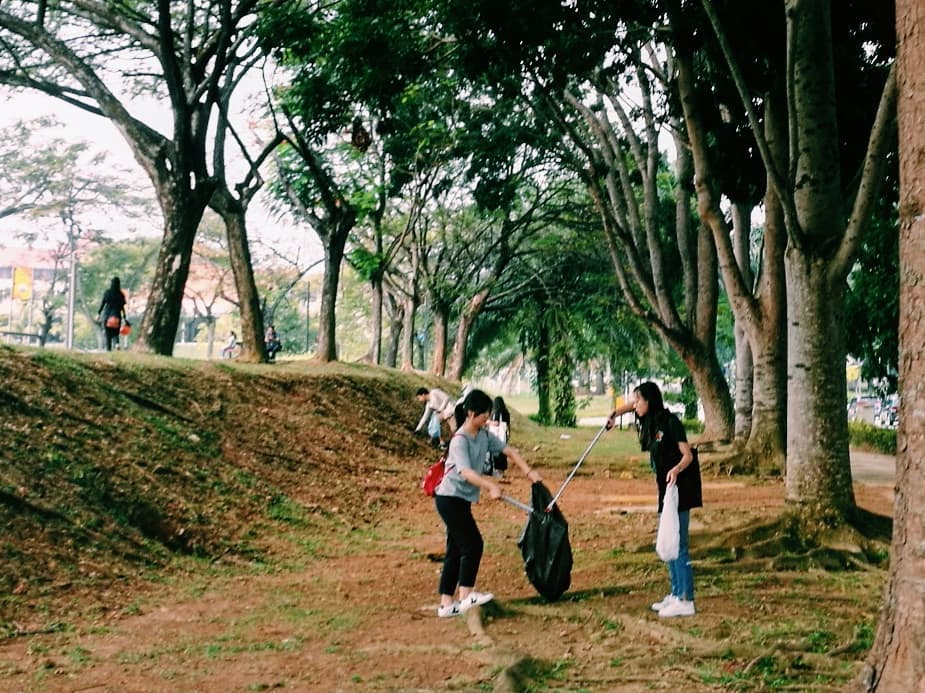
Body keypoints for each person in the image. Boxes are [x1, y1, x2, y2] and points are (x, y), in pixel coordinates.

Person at [434, 389, 543, 617]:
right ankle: (466, 596)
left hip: (461, 499)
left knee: (455, 549)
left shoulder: (483, 435)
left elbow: (508, 451)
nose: (488, 419)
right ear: (471, 413)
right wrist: (490, 486)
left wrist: (529, 472)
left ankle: (446, 605)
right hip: (449, 499)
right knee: (473, 544)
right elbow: (465, 472)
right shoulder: (459, 440)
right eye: (484, 414)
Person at [606, 381, 701, 618]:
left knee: (679, 544)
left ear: (650, 401)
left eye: (638, 400)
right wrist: (614, 414)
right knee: (668, 540)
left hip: (680, 488)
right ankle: (675, 592)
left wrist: (676, 470)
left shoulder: (671, 423)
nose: (634, 404)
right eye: (634, 400)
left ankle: (686, 599)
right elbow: (631, 407)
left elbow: (687, 455)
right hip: (666, 490)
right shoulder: (651, 421)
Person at [96, 276, 129, 352]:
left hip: (107, 317)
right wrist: (124, 317)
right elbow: (122, 307)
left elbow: (103, 304)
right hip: (117, 317)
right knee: (116, 333)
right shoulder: (121, 295)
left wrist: (99, 313)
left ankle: (108, 350)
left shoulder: (107, 293)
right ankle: (117, 344)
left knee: (108, 335)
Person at [487, 396, 511, 478]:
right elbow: (508, 425)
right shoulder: (506, 413)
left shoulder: (496, 412)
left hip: (497, 435)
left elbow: (496, 423)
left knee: (495, 453)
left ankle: (496, 470)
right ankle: (502, 470)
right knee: (503, 453)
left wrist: (487, 422)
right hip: (504, 435)